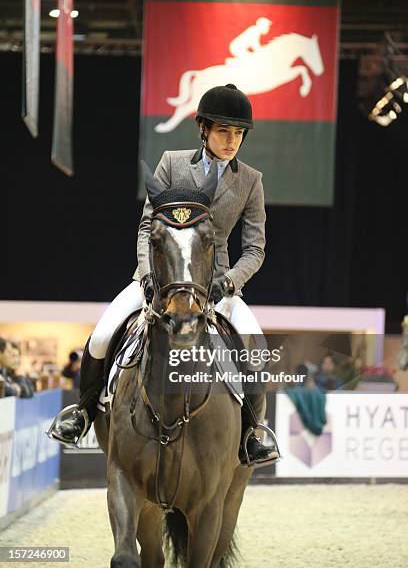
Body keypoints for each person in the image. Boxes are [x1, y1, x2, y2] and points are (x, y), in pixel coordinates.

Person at [50, 83, 279, 466]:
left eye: (238, 133)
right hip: (161, 277)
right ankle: (83, 412)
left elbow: (255, 248)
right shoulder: (172, 163)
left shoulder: (250, 180)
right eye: (224, 131)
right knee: (104, 332)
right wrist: (145, 273)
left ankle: (254, 432)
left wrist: (230, 282)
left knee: (255, 349)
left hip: (216, 283)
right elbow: (146, 226)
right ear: (203, 129)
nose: (232, 140)